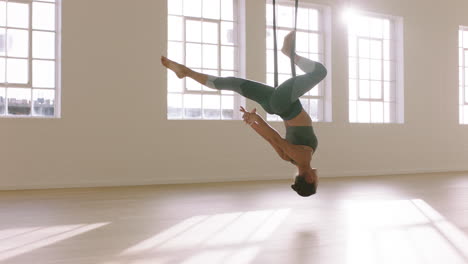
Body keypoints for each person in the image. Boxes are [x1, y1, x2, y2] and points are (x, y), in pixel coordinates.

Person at [161, 31, 327, 197]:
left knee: (319, 72)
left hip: (284, 104)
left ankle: (289, 53)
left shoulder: (303, 156)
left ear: (310, 179)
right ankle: (186, 72)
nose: (318, 179)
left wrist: (256, 120)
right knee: (233, 83)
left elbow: (274, 138)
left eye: (317, 182)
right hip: (274, 106)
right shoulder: (288, 158)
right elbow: (270, 137)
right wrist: (254, 120)